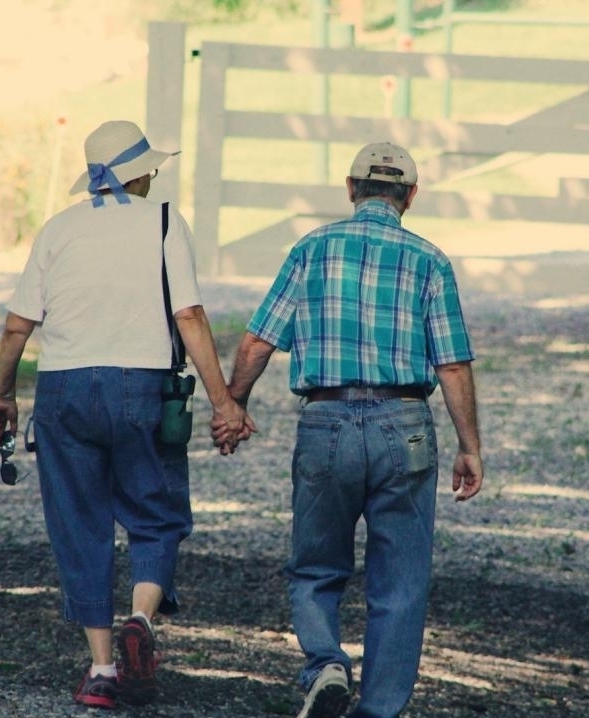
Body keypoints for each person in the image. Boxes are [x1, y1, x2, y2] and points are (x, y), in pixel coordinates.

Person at [0, 120, 250, 710]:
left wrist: (4, 394)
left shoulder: (57, 229)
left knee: (79, 524)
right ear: (140, 173)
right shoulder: (162, 222)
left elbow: (16, 325)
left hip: (64, 390)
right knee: (155, 513)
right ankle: (141, 618)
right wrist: (223, 402)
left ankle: (103, 668)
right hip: (142, 385)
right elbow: (189, 316)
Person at [217, 142, 484, 718]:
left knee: (315, 564)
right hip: (405, 424)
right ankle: (379, 710)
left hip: (326, 419)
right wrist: (470, 446)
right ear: (410, 196)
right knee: (402, 580)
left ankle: (325, 662)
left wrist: (233, 405)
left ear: (350, 188)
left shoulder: (310, 250)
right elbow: (454, 364)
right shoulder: (430, 261)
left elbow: (258, 340)